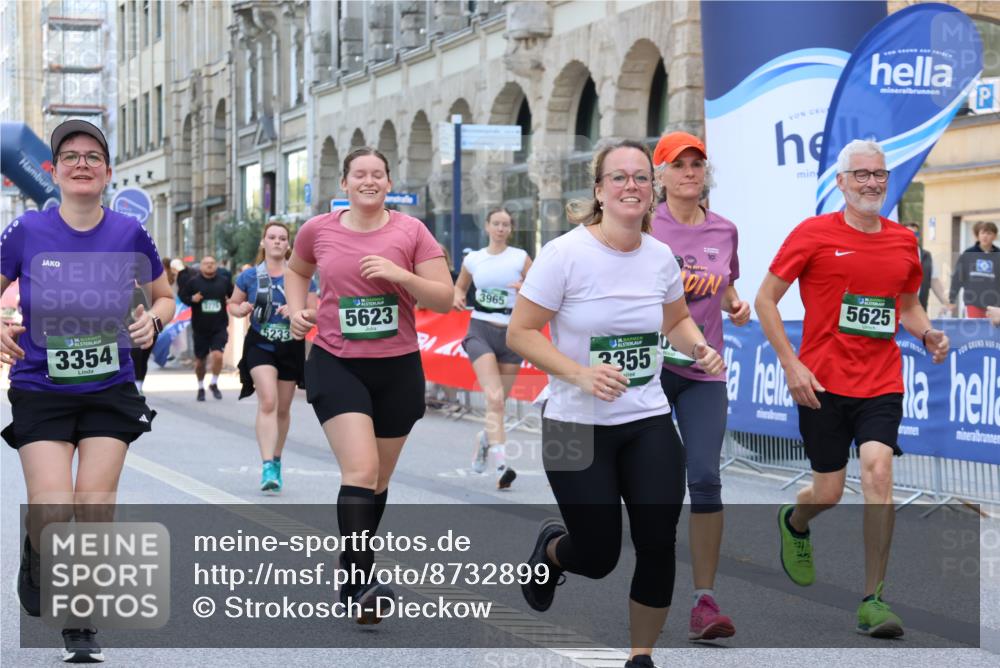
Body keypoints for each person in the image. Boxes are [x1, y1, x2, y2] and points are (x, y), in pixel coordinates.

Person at [507, 139, 724, 668]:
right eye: (619, 177)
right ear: (600, 190)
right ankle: (552, 552)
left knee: (656, 539)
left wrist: (697, 346)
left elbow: (675, 319)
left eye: (641, 178)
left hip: (646, 418)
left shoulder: (659, 258)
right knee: (599, 555)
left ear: (653, 191)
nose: (632, 186)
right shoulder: (564, 254)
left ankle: (641, 656)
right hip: (570, 422)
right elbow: (521, 332)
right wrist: (579, 373)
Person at [755, 139, 949, 638]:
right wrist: (791, 364)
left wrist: (926, 331)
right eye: (860, 175)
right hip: (820, 381)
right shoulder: (814, 234)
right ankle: (796, 522)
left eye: (878, 174)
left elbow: (906, 306)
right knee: (829, 490)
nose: (871, 183)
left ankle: (874, 599)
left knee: (879, 469)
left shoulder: (903, 241)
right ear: (840, 183)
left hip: (881, 380)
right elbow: (766, 299)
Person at [0, 119, 174, 663]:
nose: (81, 163)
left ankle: (80, 620)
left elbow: (162, 295)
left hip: (109, 388)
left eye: (92, 156)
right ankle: (37, 548)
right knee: (53, 507)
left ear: (107, 172)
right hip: (41, 386)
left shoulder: (128, 233)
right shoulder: (27, 230)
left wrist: (155, 322)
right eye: (70, 156)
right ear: (52, 171)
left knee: (94, 505)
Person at [285, 147, 453, 623]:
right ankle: (361, 583)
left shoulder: (411, 231)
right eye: (359, 174)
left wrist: (400, 274)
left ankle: (353, 566)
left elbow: (445, 298)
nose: (368, 181)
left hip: (397, 367)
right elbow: (298, 271)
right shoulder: (319, 230)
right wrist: (299, 310)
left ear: (388, 182)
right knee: (359, 470)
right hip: (337, 362)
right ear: (344, 184)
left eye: (377, 174)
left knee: (378, 479)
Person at [649, 131, 750, 641]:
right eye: (679, 164)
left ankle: (703, 600)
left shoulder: (724, 229)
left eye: (697, 163)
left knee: (706, 478)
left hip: (703, 372)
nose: (690, 171)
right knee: (651, 483)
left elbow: (725, 280)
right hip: (646, 372)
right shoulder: (645, 226)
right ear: (660, 174)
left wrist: (735, 302)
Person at [229, 222, 317, 493]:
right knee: (268, 400)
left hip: (290, 345)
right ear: (263, 242)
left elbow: (315, 311)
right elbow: (232, 304)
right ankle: (267, 464)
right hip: (260, 345)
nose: (277, 242)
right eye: (272, 237)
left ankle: (276, 459)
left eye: (282, 238)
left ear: (289, 245)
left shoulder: (300, 276)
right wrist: (240, 308)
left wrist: (298, 310)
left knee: (282, 408)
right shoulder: (250, 276)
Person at [453, 207, 532, 489]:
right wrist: (458, 296)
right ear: (487, 226)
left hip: (511, 336)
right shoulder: (474, 259)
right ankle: (501, 465)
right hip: (480, 331)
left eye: (506, 225)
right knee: (495, 399)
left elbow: (539, 288)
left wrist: (524, 287)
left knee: (497, 405)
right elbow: (460, 287)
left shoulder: (520, 257)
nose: (500, 229)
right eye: (496, 223)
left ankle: (484, 441)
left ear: (510, 229)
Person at [179, 255, 233, 400]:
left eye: (212, 263)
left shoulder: (224, 282)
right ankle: (201, 386)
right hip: (200, 328)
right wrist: (192, 299)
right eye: (206, 263)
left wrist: (231, 301)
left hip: (219, 327)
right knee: (200, 362)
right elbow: (182, 296)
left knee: (217, 355)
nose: (209, 265)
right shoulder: (193, 282)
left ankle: (214, 383)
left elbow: (234, 296)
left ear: (216, 265)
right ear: (201, 266)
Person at [947, 221, 999, 318]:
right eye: (982, 233)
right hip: (973, 302)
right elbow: (958, 277)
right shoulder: (968, 254)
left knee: (993, 332)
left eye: (989, 233)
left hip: (995, 304)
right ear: (977, 235)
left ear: (995, 236)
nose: (985, 236)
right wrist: (952, 299)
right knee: (976, 330)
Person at [901, 222, 947, 312]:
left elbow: (934, 281)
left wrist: (946, 303)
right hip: (898, 310)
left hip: (920, 310)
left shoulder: (927, 256)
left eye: (915, 234)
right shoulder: (894, 255)